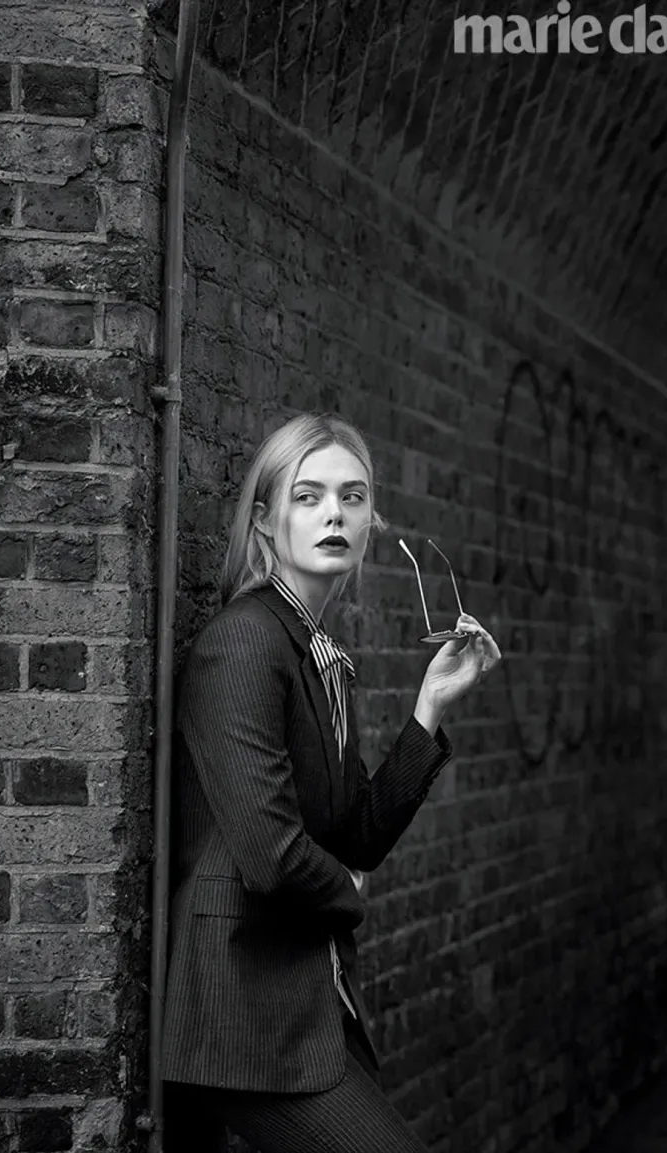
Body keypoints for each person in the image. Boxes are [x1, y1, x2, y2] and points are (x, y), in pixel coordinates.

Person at [161, 413, 501, 1152]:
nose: (334, 514)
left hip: (307, 1003)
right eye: (308, 495)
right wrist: (348, 889)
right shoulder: (245, 641)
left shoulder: (320, 656)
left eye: (352, 496)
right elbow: (272, 854)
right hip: (243, 1016)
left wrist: (430, 707)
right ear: (264, 519)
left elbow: (358, 835)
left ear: (371, 521)